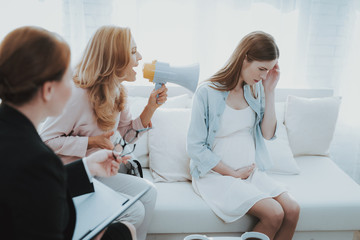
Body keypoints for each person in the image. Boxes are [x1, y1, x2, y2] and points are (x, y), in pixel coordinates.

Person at [0, 26, 135, 240]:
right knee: (126, 230)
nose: (73, 84)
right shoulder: (37, 159)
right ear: (48, 90)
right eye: (67, 77)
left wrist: (86, 167)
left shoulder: (12, 133)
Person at [40, 25, 166, 240]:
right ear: (115, 58)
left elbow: (126, 134)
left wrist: (150, 108)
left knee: (148, 193)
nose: (140, 58)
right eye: (134, 51)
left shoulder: (117, 90)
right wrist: (91, 142)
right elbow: (44, 140)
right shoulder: (77, 94)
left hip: (96, 173)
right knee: (134, 211)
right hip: (71, 176)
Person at [187, 31, 300, 240]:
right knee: (274, 213)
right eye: (261, 69)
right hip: (217, 176)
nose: (263, 76)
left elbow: (267, 134)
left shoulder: (255, 90)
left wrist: (270, 90)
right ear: (245, 57)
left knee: (292, 209)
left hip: (249, 173)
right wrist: (232, 173)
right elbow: (195, 148)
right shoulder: (206, 92)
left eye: (268, 70)